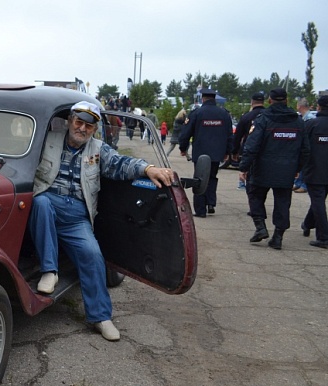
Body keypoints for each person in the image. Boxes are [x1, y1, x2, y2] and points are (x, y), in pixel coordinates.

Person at [29, 101, 175, 341]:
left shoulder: (98, 150)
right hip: (49, 205)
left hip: (77, 214)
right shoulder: (49, 140)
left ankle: (100, 317)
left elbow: (121, 164)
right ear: (69, 122)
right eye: (79, 122)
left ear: (94, 129)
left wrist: (147, 168)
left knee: (93, 255)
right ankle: (49, 271)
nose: (83, 129)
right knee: (41, 202)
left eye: (89, 125)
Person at [239, 87, 310, 250]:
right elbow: (306, 149)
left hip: (262, 168)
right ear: (287, 100)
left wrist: (244, 167)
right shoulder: (298, 121)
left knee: (255, 195)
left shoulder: (263, 119)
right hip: (287, 170)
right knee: (283, 203)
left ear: (269, 101)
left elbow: (252, 145)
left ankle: (260, 227)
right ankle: (278, 236)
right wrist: (298, 167)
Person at [178, 88, 233, 217]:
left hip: (201, 153)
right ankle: (211, 203)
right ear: (214, 99)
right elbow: (229, 135)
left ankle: (200, 210)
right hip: (217, 153)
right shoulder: (224, 114)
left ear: (203, 98)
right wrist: (228, 151)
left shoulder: (197, 113)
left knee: (199, 179)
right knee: (212, 177)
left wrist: (183, 148)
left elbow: (186, 133)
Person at [299, 95, 328, 248]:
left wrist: (299, 166)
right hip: (319, 170)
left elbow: (303, 147)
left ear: (318, 107)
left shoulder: (312, 124)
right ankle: (307, 223)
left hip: (315, 169)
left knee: (318, 201)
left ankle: (324, 237)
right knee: (319, 201)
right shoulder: (312, 124)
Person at [231, 91, 266, 189]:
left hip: (248, 148)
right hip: (266, 150)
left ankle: (243, 184)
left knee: (249, 171)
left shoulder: (246, 117)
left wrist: (234, 151)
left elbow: (238, 136)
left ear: (252, 102)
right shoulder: (269, 116)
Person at [293, 97, 317, 193]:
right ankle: (298, 183)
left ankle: (303, 185)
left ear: (300, 106)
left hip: (309, 146)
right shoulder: (305, 117)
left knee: (305, 165)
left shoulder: (309, 119)